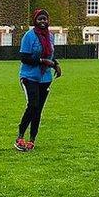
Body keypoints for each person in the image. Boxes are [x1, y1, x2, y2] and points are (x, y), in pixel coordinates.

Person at [14, 9, 62, 152]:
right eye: (40, 19)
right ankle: (20, 135)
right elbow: (24, 57)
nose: (43, 22)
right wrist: (42, 61)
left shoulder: (50, 36)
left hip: (45, 78)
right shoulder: (29, 36)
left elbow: (50, 55)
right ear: (35, 21)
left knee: (38, 110)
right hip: (29, 76)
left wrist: (56, 64)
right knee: (33, 105)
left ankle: (32, 139)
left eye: (45, 19)